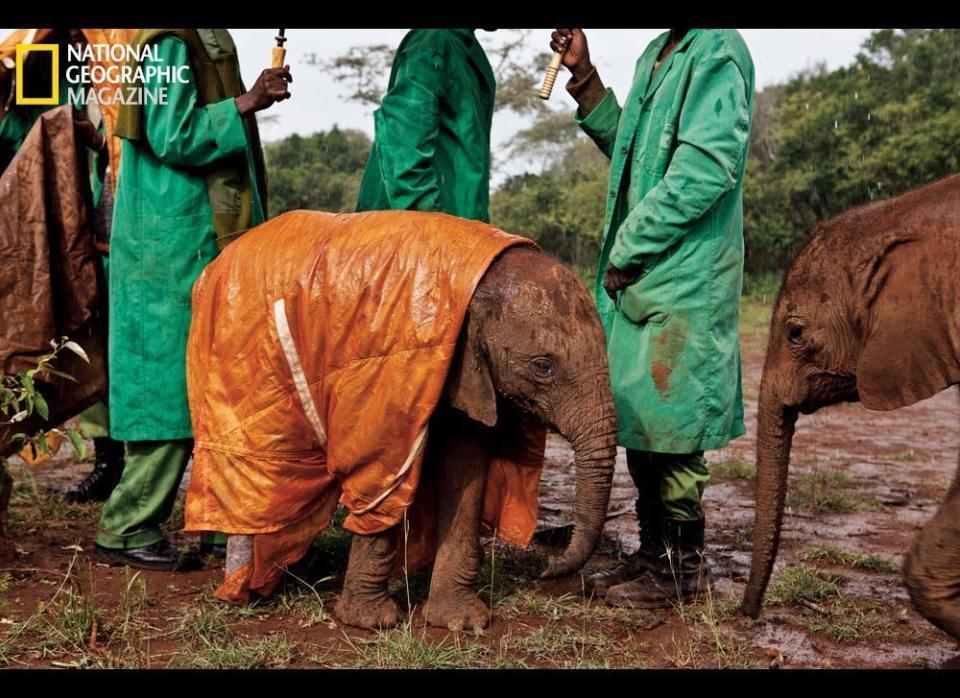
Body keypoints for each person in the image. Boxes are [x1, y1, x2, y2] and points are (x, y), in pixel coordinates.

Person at [550, 28, 755, 607]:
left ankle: (684, 571)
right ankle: (654, 553)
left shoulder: (717, 51)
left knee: (674, 424)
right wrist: (584, 77)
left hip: (685, 272)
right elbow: (633, 149)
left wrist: (628, 244)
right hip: (644, 272)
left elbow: (705, 170)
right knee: (639, 415)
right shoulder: (656, 52)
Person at [94, 29, 291, 570]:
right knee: (166, 385)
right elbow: (171, 132)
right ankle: (128, 524)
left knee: (218, 380)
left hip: (198, 236)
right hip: (168, 241)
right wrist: (249, 101)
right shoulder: (167, 41)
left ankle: (215, 522)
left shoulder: (204, 34)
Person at [355, 28, 495, 221]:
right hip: (413, 233)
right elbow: (404, 151)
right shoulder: (433, 39)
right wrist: (434, 233)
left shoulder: (467, 48)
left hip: (462, 230)